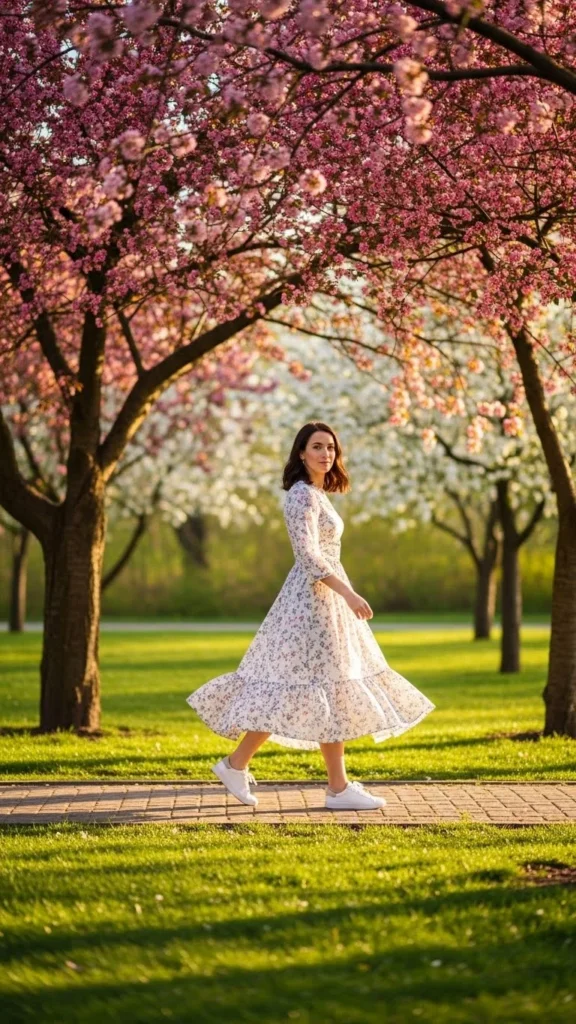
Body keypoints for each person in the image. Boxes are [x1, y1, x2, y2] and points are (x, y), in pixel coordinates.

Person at [186, 421, 435, 811]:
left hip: (323, 602)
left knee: (316, 687)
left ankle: (258, 769)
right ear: (301, 453)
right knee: (313, 686)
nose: (325, 454)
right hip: (311, 605)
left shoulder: (318, 495)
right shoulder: (302, 496)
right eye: (317, 447)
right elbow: (309, 556)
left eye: (331, 448)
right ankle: (324, 785)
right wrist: (349, 595)